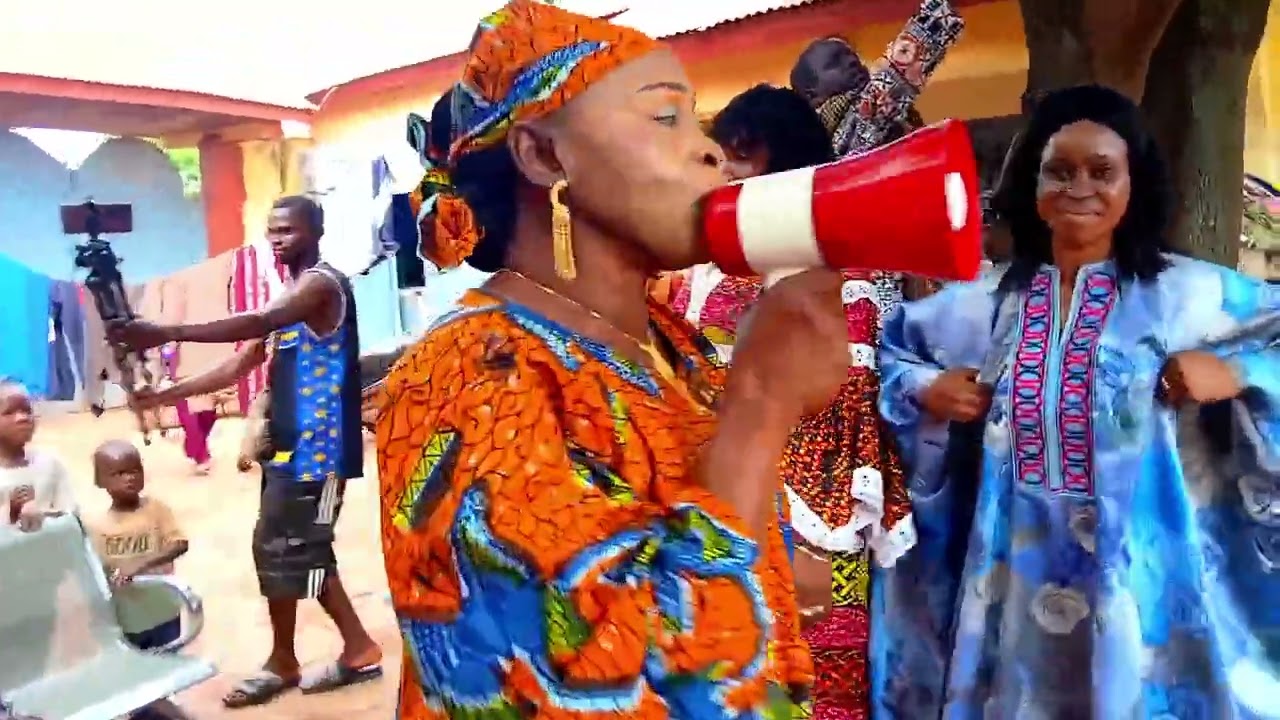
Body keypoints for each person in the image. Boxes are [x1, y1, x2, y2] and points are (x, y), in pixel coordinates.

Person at [374, 1, 852, 717]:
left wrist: (781, 565)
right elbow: (616, 682)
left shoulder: (671, 343)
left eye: (697, 121)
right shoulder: (465, 374)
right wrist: (761, 405)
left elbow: (717, 522)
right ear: (542, 155)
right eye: (666, 119)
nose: (711, 152)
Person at [871, 84, 1280, 718]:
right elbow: (887, 355)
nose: (1079, 188)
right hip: (1009, 585)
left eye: (1101, 171)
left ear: (1133, 184)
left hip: (1143, 586)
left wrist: (1234, 369)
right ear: (1031, 186)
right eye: (1059, 171)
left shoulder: (1185, 298)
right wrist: (927, 389)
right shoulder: (983, 306)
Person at [670, 83, 913, 720]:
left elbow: (850, 414)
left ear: (790, 169)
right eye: (719, 157)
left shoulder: (841, 282)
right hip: (720, 519)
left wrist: (816, 545)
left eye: (741, 157)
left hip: (814, 536)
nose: (725, 174)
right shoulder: (698, 278)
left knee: (819, 690)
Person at [106, 196, 382, 708]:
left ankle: (302, 656)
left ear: (316, 233)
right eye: (272, 231)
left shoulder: (320, 286)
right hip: (288, 449)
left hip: (320, 455)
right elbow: (237, 367)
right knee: (287, 546)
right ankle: (344, 649)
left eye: (289, 231)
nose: (278, 239)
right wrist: (161, 397)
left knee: (295, 546)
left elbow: (258, 320)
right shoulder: (289, 296)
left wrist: (166, 332)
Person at [85, 439, 192, 720]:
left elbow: (179, 543)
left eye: (134, 470)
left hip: (164, 611)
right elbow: (96, 570)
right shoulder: (97, 526)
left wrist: (140, 565)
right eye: (118, 473)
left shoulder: (156, 509)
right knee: (137, 679)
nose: (129, 478)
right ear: (101, 481)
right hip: (128, 619)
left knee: (163, 674)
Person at [789, 0, 964, 157]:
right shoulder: (831, 138)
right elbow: (895, 77)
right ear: (812, 97)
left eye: (852, 56)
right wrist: (939, 15)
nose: (851, 61)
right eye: (835, 61)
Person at [0, 380, 75, 533]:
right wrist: (12, 514)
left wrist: (43, 515)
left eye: (27, 410)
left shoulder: (51, 465)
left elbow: (71, 516)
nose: (22, 418)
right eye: (9, 412)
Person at [159, 343, 216, 475]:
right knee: (190, 415)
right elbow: (165, 346)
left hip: (205, 370)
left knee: (208, 414)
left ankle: (192, 447)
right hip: (182, 376)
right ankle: (202, 456)